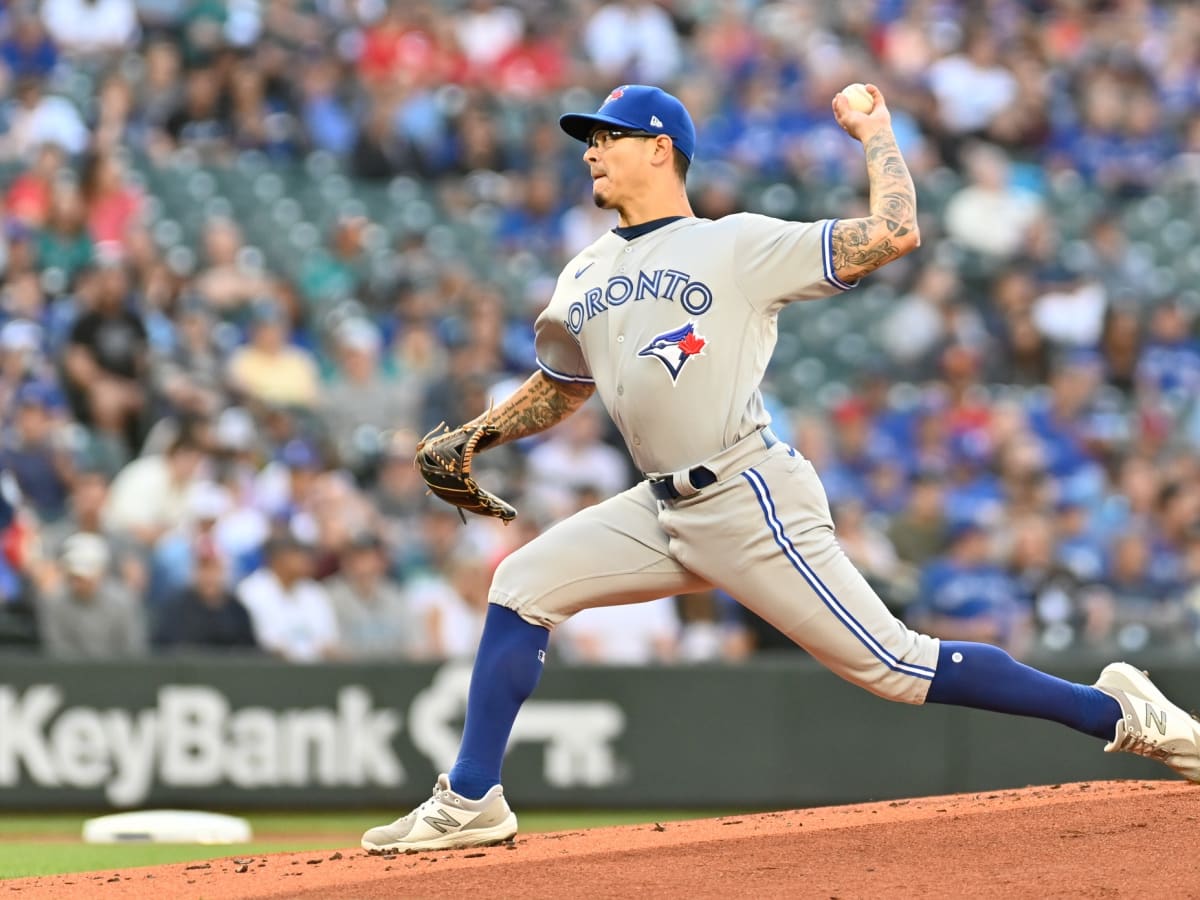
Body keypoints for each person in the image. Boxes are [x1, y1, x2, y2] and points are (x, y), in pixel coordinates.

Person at [361, 84, 1200, 854]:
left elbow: (895, 234)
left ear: (661, 148)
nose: (591, 150)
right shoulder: (585, 269)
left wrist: (875, 132)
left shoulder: (736, 244)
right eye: (589, 138)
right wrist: (474, 435)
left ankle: (1121, 711)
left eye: (608, 136)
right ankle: (472, 799)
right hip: (660, 508)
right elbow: (564, 387)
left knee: (899, 668)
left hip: (745, 491)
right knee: (521, 585)